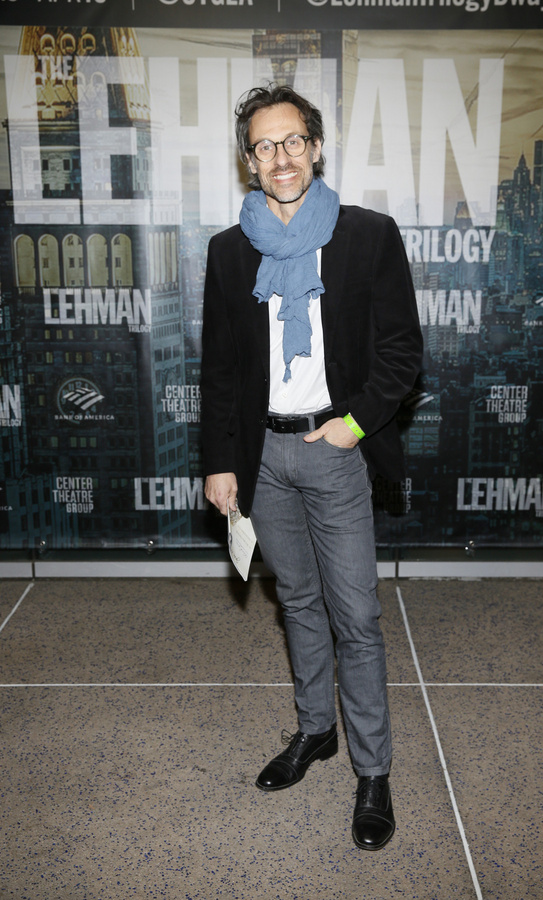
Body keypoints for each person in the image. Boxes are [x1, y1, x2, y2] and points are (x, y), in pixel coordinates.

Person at [201, 84, 423, 851]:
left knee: (355, 617)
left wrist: (352, 425)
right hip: (263, 458)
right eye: (264, 146)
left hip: (334, 451)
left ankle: (373, 770)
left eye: (292, 141)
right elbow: (222, 371)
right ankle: (315, 732)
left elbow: (401, 352)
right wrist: (222, 463)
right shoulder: (231, 252)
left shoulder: (367, 236)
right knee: (296, 601)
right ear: (250, 162)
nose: (281, 157)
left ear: (317, 147)